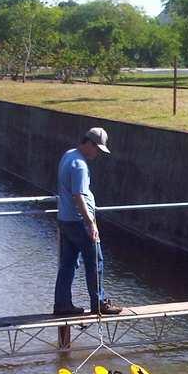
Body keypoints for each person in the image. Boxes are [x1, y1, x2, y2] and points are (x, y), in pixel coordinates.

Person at [53, 127, 123, 316]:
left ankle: (62, 304)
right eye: (97, 149)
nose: (98, 153)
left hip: (65, 220)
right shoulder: (80, 165)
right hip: (79, 222)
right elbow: (79, 196)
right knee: (95, 262)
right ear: (89, 143)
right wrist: (91, 223)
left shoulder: (68, 155)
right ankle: (98, 303)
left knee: (67, 264)